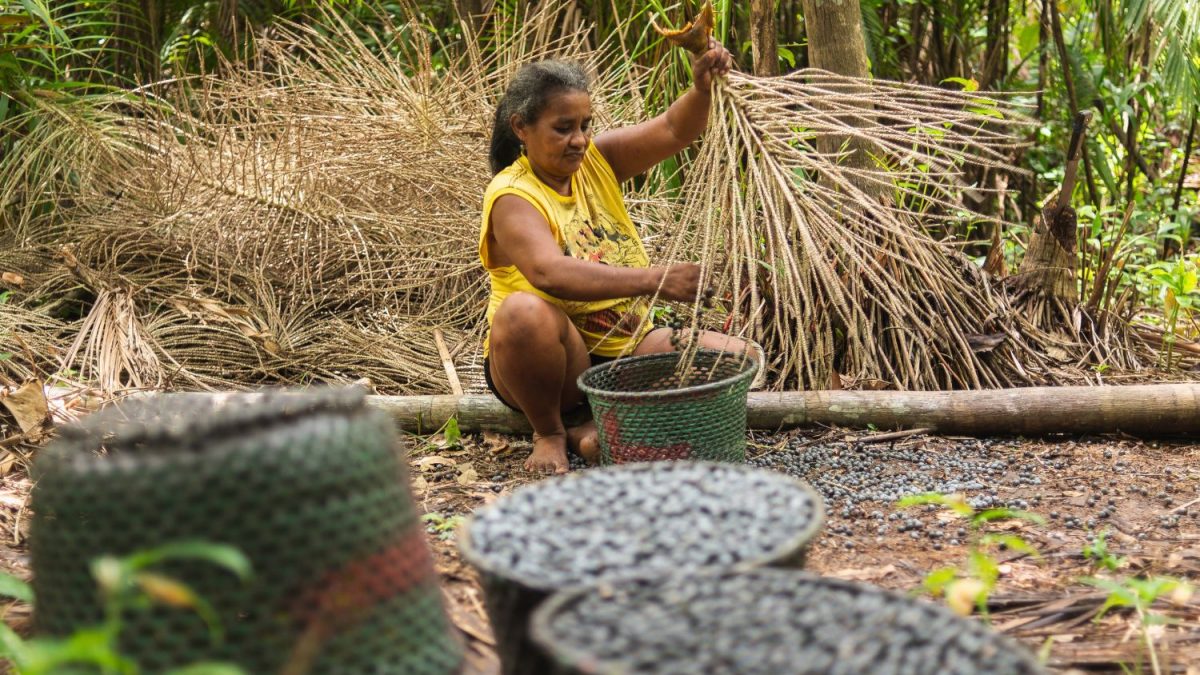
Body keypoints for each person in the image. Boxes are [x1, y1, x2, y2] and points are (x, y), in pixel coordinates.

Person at [480, 38, 754, 474]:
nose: (580, 140)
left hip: (625, 350)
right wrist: (655, 280)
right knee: (522, 313)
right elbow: (548, 273)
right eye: (563, 128)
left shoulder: (596, 161)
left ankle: (601, 426)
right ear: (521, 128)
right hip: (553, 362)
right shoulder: (513, 196)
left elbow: (673, 130)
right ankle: (552, 429)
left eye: (586, 125)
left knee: (739, 358)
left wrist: (701, 89)